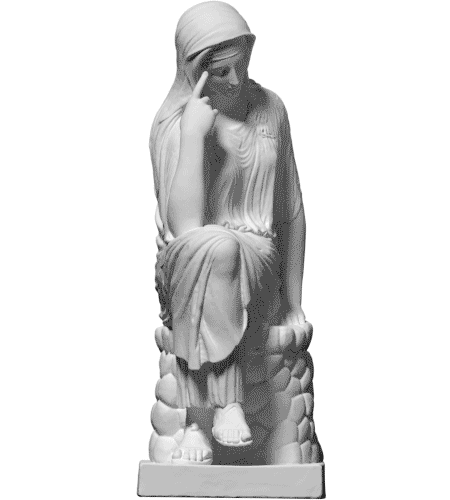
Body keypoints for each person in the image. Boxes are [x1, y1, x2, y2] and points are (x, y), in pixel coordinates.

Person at [151, 1, 308, 464]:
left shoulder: (270, 109)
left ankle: (198, 421)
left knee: (220, 249)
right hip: (190, 258)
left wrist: (293, 302)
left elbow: (291, 211)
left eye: (242, 64)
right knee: (213, 247)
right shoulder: (173, 123)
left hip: (256, 253)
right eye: (221, 71)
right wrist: (193, 136)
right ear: (194, 70)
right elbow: (184, 228)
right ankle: (223, 406)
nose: (237, 80)